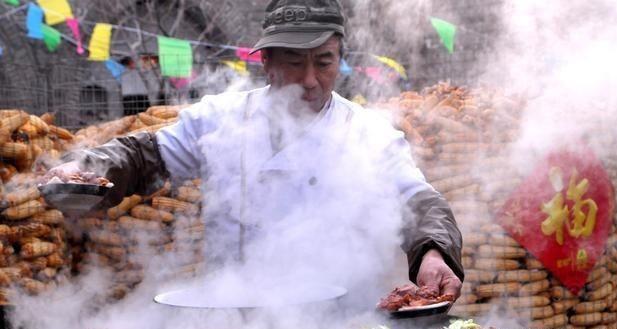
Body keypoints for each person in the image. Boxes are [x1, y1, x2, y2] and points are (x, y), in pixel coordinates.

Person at [53, 0, 463, 300]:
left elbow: (419, 203)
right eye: (293, 62)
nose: (309, 79)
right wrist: (87, 169)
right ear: (265, 61)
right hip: (233, 311)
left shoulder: (369, 134)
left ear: (339, 58)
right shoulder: (221, 118)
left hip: (338, 315)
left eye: (323, 62)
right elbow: (145, 157)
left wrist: (432, 252)